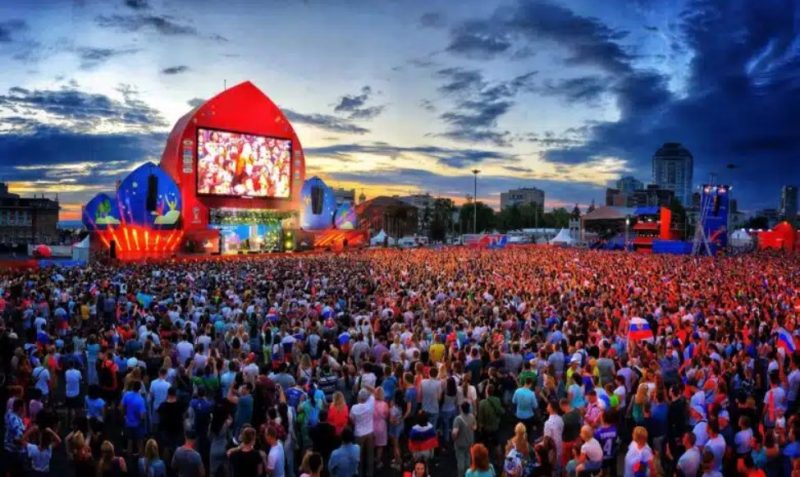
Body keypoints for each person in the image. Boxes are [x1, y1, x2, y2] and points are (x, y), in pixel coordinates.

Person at [349, 388, 375, 477]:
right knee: (370, 455)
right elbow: (373, 392)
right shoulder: (371, 403)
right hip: (370, 432)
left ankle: (359, 474)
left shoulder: (354, 408)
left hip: (359, 433)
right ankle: (370, 473)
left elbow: (352, 419)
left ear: (359, 398)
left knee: (359, 456)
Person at [121, 380, 147, 456]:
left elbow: (122, 407)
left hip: (128, 422)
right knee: (140, 441)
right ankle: (141, 459)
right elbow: (142, 415)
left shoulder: (126, 395)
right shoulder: (140, 400)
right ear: (139, 389)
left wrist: (124, 416)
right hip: (137, 424)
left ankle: (128, 460)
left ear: (132, 387)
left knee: (129, 440)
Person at [453, 402, 477, 477]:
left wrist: (454, 439)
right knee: (468, 459)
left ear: (461, 409)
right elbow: (475, 427)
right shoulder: (472, 416)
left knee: (460, 461)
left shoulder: (458, 419)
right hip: (470, 442)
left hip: (460, 443)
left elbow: (455, 433)